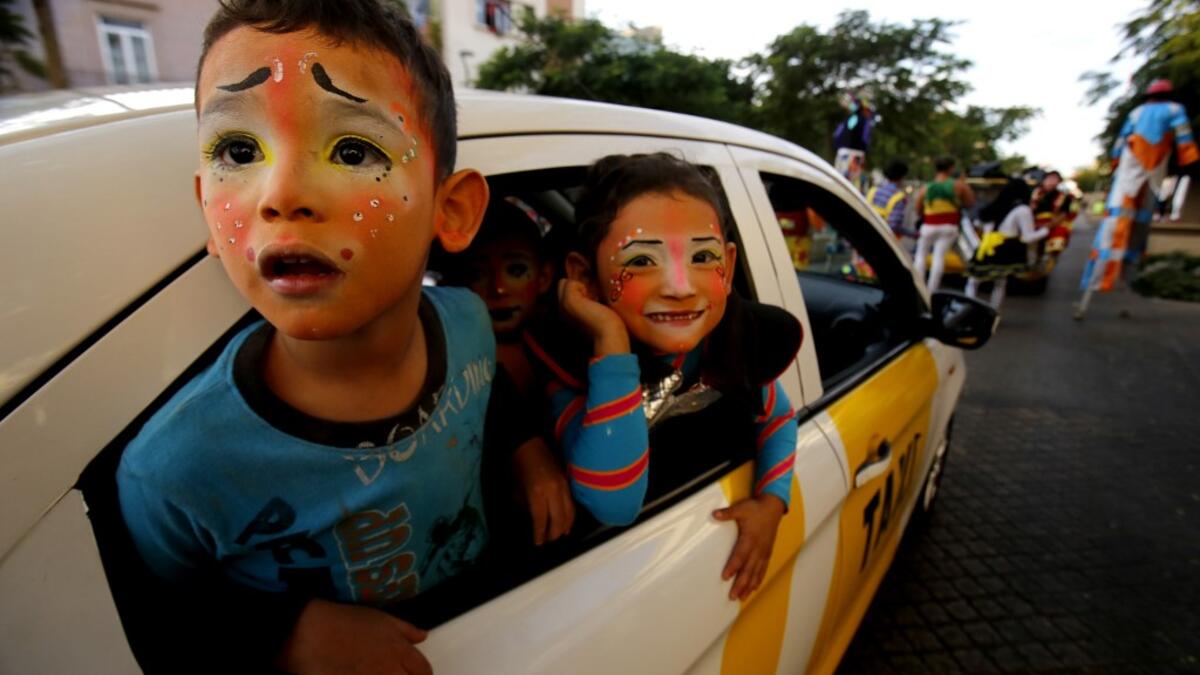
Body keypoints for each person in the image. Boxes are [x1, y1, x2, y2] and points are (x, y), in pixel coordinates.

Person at [115, 1, 563, 672]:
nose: (281, 191)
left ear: (454, 210)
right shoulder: (174, 472)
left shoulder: (469, 321)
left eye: (353, 149)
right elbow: (155, 618)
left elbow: (487, 386)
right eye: (240, 151)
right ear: (207, 207)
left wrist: (527, 449)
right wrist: (283, 632)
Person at [525, 152, 803, 601]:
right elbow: (613, 502)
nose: (680, 286)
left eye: (702, 257)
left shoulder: (736, 345)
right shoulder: (570, 370)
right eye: (641, 261)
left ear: (728, 268)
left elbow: (778, 417)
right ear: (584, 277)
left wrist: (772, 502)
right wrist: (610, 339)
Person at [1077, 78, 1198, 318]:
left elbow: (1120, 144)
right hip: (1151, 172)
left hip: (1131, 172)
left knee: (1116, 228)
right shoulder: (1175, 110)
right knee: (1133, 228)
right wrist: (1188, 159)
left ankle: (1102, 285)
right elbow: (1184, 139)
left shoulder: (1136, 113)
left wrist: (1115, 163)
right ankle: (1122, 281)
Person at [965, 178, 1048, 308]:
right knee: (1000, 283)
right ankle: (993, 311)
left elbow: (978, 223)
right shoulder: (1023, 210)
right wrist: (1045, 231)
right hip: (1005, 248)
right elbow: (1027, 237)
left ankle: (967, 309)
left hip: (986, 246)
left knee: (973, 280)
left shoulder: (996, 205)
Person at [914, 156, 976, 291]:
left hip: (929, 225)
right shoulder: (958, 186)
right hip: (949, 226)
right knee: (939, 256)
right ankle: (931, 290)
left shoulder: (927, 187)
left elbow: (918, 208)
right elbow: (970, 203)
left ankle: (918, 286)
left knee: (920, 255)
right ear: (951, 168)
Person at [867, 159, 913, 238]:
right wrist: (912, 234)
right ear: (902, 176)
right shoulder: (899, 197)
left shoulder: (872, 190)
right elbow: (893, 226)